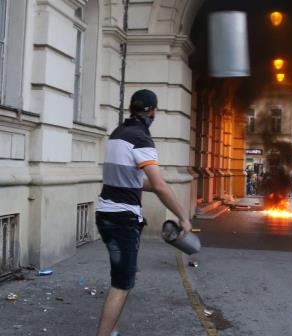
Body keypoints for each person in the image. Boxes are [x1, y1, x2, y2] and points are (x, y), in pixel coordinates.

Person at [95, 89, 192, 336]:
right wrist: (182, 216)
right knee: (122, 284)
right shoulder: (141, 138)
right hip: (122, 219)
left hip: (105, 214)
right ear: (152, 111)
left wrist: (158, 185)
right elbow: (158, 185)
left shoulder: (117, 134)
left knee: (121, 274)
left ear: (131, 108)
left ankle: (112, 329)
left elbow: (131, 180)